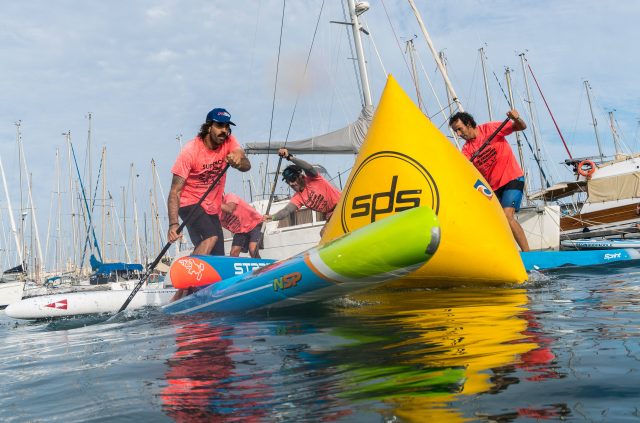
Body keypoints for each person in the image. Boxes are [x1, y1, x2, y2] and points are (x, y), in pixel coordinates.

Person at [168, 107, 251, 300]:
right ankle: (181, 292)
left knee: (217, 259)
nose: (224, 131)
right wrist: (173, 224)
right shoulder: (190, 151)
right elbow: (175, 191)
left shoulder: (230, 142)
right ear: (208, 127)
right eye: (220, 126)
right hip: (189, 203)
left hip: (211, 208)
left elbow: (246, 166)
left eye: (227, 127)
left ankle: (201, 296)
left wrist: (239, 159)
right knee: (210, 236)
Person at [449, 110, 530, 252]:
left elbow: (521, 127)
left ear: (468, 124)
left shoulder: (491, 129)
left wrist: (516, 118)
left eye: (460, 129)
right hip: (494, 188)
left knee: (507, 216)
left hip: (512, 177)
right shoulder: (467, 150)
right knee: (493, 223)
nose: (459, 135)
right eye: (456, 132)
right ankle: (508, 255)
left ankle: (528, 254)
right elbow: (464, 173)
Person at [263, 148, 341, 236]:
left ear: (300, 176)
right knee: (323, 234)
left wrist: (289, 157)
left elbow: (309, 167)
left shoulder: (313, 178)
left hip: (341, 204)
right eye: (288, 182)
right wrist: (271, 217)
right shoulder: (298, 197)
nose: (291, 183)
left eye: (292, 179)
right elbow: (286, 211)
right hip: (331, 214)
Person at [220, 192, 263, 258]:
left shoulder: (230, 196)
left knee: (252, 250)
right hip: (240, 230)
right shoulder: (215, 212)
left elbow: (230, 209)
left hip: (254, 223)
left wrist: (216, 203)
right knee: (233, 253)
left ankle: (261, 267)